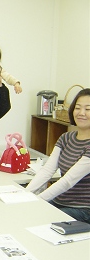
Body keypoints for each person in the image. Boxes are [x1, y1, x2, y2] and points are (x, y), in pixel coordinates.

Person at [26, 88, 90, 224]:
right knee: (28, 216)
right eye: (78, 108)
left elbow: (68, 180)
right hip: (59, 201)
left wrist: (38, 200)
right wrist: (25, 195)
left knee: (41, 220)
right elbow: (47, 170)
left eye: (88, 109)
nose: (81, 113)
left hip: (83, 210)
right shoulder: (66, 137)